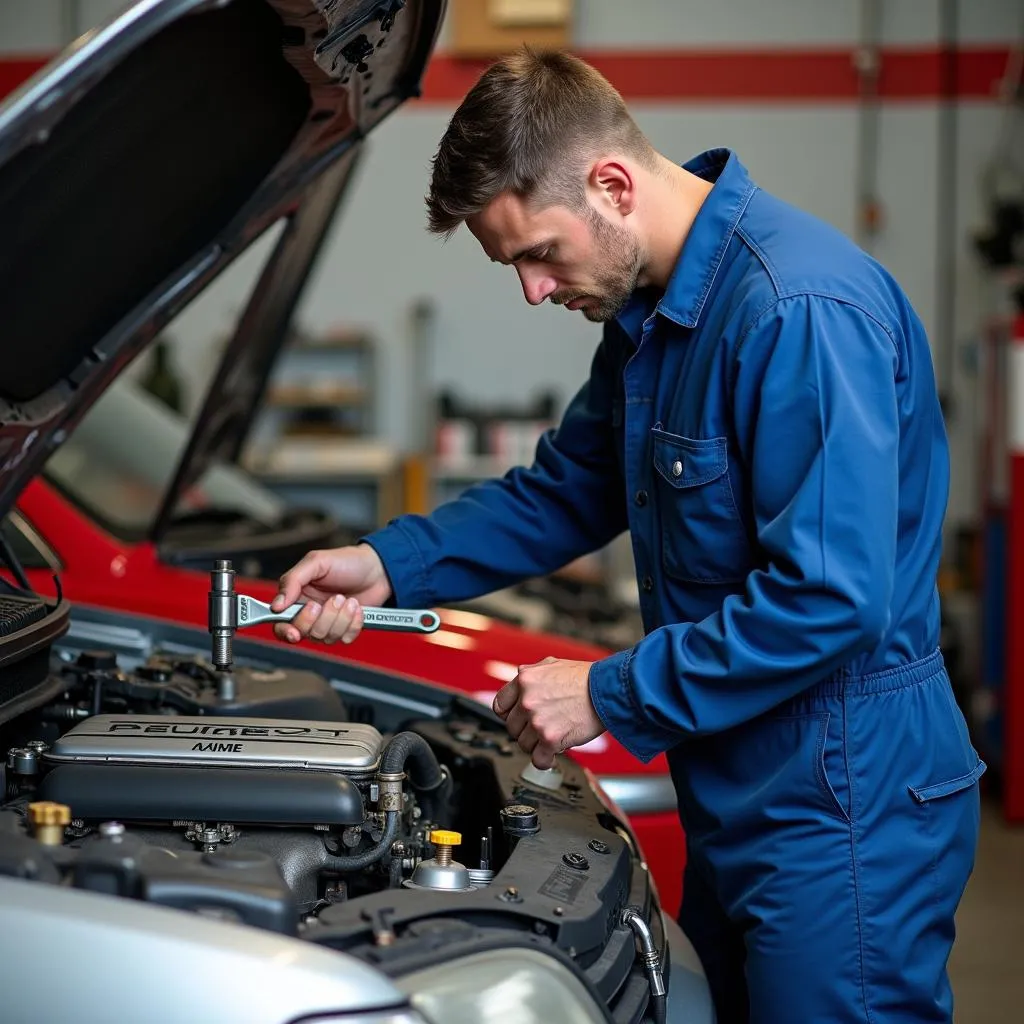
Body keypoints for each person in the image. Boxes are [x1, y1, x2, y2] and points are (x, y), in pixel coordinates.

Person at [270, 48, 983, 1024]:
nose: (530, 289)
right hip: (743, 787)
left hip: (842, 802)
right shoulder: (652, 317)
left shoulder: (795, 310)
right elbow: (564, 492)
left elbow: (830, 598)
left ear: (610, 185)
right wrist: (389, 562)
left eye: (538, 253)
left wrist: (606, 687)